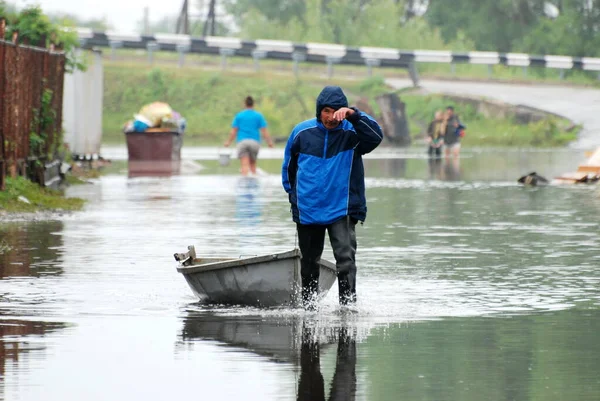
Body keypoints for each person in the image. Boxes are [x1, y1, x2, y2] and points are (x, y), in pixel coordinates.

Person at [281, 86, 383, 308]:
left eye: (336, 111)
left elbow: (376, 136)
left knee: (345, 262)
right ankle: (309, 309)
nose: (331, 117)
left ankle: (347, 308)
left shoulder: (353, 133)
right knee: (309, 263)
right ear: (319, 111)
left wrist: (354, 115)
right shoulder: (301, 133)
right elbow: (289, 168)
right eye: (326, 111)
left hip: (341, 208)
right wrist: (294, 198)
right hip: (308, 208)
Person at [224, 95, 274, 176]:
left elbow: (233, 131)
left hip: (242, 142)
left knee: (244, 166)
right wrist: (269, 143)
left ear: (244, 104)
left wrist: (228, 142)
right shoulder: (258, 116)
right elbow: (264, 131)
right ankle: (253, 185)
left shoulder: (239, 116)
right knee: (253, 165)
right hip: (254, 142)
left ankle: (244, 185)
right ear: (253, 104)